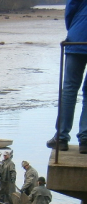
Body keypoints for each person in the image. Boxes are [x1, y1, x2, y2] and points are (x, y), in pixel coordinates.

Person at [46, 0, 87, 153]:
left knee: (69, 89)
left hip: (78, 37)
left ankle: (62, 137)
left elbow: (70, 9)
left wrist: (74, 29)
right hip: (78, 35)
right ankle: (85, 138)